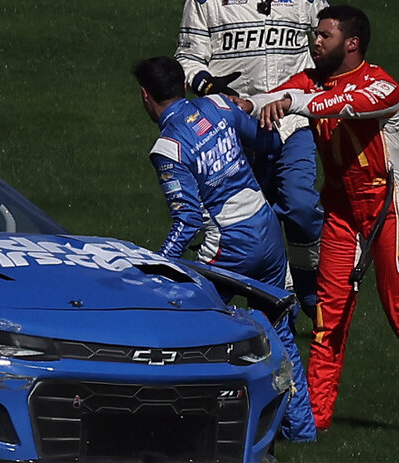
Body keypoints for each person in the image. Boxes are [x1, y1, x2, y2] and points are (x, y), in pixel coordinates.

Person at [241, 5, 399, 437]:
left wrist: (291, 102)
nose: (315, 41)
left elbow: (339, 105)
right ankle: (314, 420)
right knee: (329, 320)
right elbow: (277, 97)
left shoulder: (382, 87)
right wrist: (248, 104)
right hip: (342, 214)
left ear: (351, 44)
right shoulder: (310, 81)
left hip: (389, 211)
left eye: (324, 35)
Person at [132, 55, 316, 442]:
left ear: (146, 97)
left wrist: (158, 265)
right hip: (266, 232)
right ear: (183, 85)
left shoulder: (168, 148)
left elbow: (187, 222)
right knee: (281, 332)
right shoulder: (219, 105)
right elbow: (266, 140)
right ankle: (301, 431)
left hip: (228, 248)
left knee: (190, 330)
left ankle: (187, 427)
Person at [174, 0, 327, 317]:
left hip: (292, 121)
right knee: (245, 223)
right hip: (233, 129)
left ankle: (312, 293)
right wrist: (208, 85)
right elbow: (187, 57)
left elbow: (325, 49)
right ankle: (262, 306)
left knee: (299, 205)